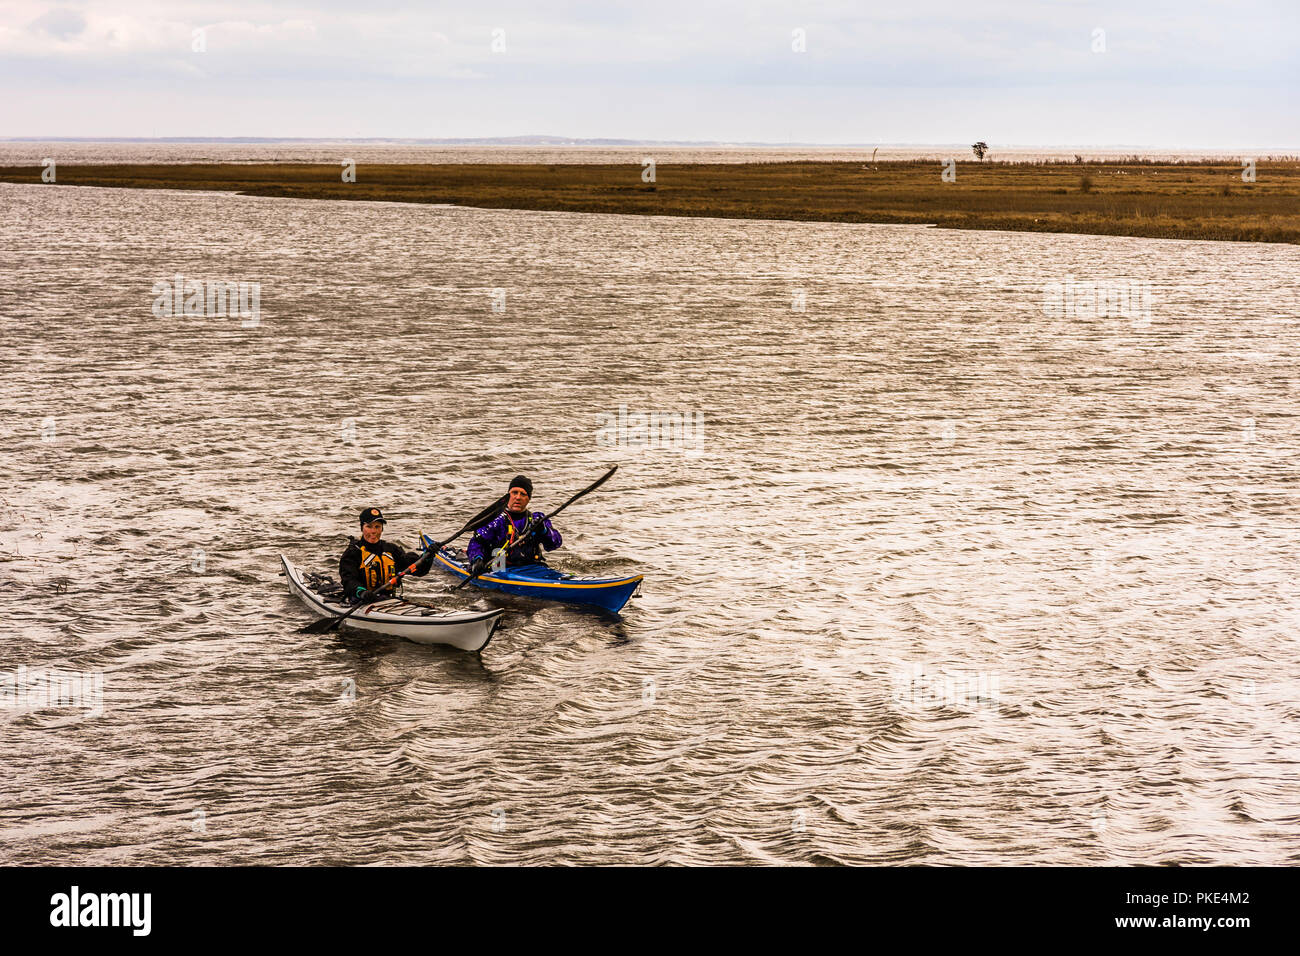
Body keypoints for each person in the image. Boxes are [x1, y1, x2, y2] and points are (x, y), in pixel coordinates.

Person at [465, 475, 562, 575]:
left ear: (528, 499)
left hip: (532, 567)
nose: (518, 497)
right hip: (500, 568)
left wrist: (544, 531)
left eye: (523, 494)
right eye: (514, 493)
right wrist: (476, 559)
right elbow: (476, 543)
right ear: (508, 496)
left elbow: (555, 544)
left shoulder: (537, 519)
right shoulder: (494, 520)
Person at [339, 507, 433, 602]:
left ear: (382, 529)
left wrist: (429, 555)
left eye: (377, 527)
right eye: (369, 526)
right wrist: (362, 592)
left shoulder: (391, 550)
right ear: (362, 528)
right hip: (361, 600)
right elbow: (348, 580)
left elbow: (420, 570)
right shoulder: (353, 553)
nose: (373, 531)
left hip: (387, 600)